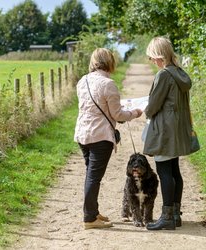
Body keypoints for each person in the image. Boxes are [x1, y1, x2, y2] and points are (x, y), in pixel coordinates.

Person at [74, 48, 143, 230]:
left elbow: (94, 107)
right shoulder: (108, 84)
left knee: (91, 174)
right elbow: (118, 115)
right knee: (94, 177)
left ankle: (93, 212)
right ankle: (89, 218)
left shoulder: (83, 81)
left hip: (83, 133)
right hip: (100, 136)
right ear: (109, 62)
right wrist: (135, 113)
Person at [143, 37, 193, 230]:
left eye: (152, 57)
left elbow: (154, 105)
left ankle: (166, 217)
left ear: (159, 55)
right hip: (177, 128)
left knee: (164, 172)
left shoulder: (163, 75)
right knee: (174, 171)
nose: (152, 61)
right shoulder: (179, 72)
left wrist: (144, 110)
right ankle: (175, 216)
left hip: (164, 129)